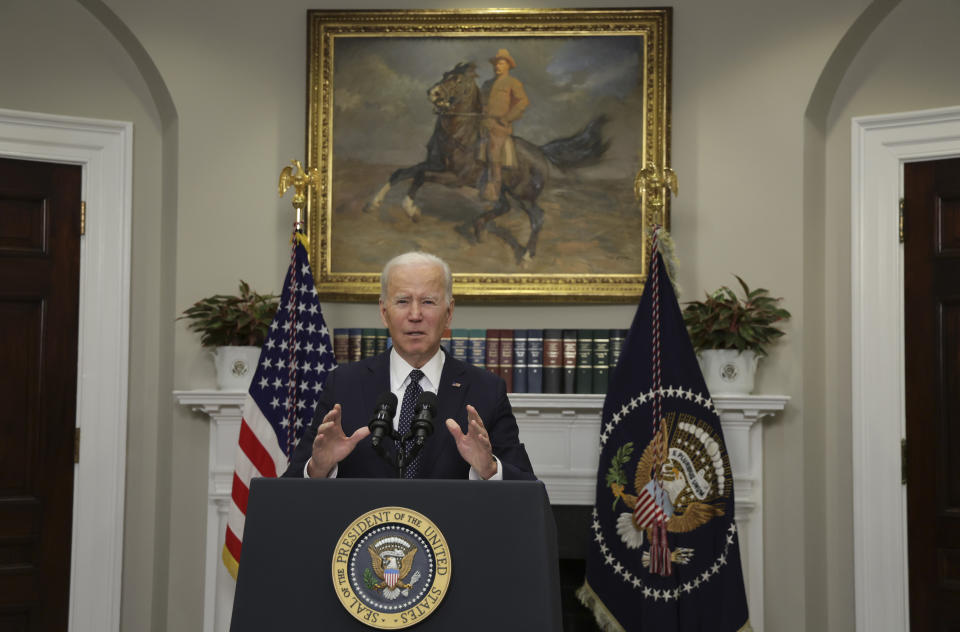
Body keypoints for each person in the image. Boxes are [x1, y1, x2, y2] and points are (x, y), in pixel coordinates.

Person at [282, 251, 536, 480]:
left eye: (428, 301)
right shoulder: (344, 384)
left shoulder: (486, 390)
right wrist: (319, 467)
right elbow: (290, 485)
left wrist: (489, 468)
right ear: (384, 312)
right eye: (403, 301)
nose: (415, 315)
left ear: (449, 312)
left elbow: (528, 488)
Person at [478, 48, 529, 202]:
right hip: (483, 123)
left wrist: (507, 118)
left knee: (493, 151)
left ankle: (494, 189)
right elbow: (481, 103)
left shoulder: (513, 83)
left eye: (500, 63)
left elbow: (523, 102)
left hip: (500, 126)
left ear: (508, 66)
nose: (497, 66)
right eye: (495, 63)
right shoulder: (487, 84)